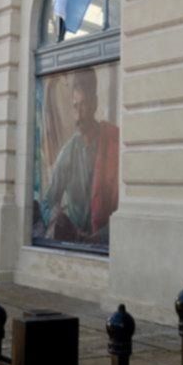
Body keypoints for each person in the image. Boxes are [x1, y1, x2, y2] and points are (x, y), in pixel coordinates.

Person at [43, 67, 119, 247]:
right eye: (75, 106)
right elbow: (47, 203)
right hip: (75, 244)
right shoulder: (68, 152)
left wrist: (102, 236)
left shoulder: (113, 143)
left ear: (95, 104)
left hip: (106, 245)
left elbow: (124, 208)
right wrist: (57, 219)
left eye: (83, 105)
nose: (78, 116)